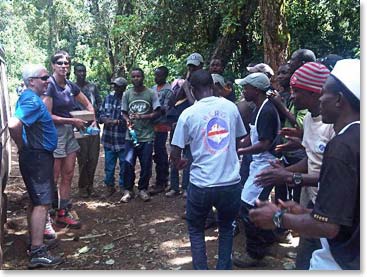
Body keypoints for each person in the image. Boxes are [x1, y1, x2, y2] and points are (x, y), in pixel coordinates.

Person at [249, 59, 360, 270]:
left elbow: (329, 227)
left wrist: (278, 217)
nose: (321, 99)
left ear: (339, 100)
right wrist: (304, 211)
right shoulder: (352, 136)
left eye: (324, 93)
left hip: (339, 260)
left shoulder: (342, 146)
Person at [170, 69, 247, 269]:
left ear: (193, 90)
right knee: (226, 229)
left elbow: (175, 150)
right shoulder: (230, 107)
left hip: (201, 183)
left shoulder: (188, 114)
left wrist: (180, 163)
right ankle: (223, 269)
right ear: (212, 87)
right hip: (230, 183)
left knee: (196, 230)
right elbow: (240, 139)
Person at [8, 64, 63, 268]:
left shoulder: (29, 98)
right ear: (31, 81)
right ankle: (38, 251)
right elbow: (14, 124)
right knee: (42, 203)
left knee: (36, 200)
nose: (48, 80)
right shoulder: (31, 99)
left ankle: (35, 241)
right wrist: (22, 146)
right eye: (43, 77)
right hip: (37, 157)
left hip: (37, 155)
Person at [231, 73, 281, 268]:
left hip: (266, 164)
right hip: (257, 163)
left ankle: (255, 253)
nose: (243, 91)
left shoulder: (267, 111)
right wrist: (239, 143)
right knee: (257, 203)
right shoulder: (257, 108)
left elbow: (265, 143)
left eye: (246, 88)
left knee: (247, 204)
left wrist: (240, 150)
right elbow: (252, 136)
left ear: (257, 90)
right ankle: (267, 239)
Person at [43, 50, 95, 229]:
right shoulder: (49, 85)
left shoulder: (70, 86)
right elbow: (47, 115)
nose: (64, 66)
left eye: (66, 63)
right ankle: (46, 217)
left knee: (68, 173)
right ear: (53, 65)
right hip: (54, 133)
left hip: (69, 133)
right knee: (54, 176)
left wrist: (91, 117)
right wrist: (72, 120)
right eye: (60, 63)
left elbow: (87, 103)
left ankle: (62, 213)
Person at [120, 68, 161, 203]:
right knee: (127, 163)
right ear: (131, 78)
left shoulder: (151, 93)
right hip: (130, 136)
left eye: (138, 76)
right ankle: (128, 190)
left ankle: (143, 189)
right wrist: (127, 121)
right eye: (134, 76)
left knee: (146, 164)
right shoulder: (127, 94)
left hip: (147, 135)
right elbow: (124, 112)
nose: (136, 78)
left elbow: (157, 112)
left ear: (143, 77)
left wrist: (143, 116)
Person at [165, 53, 202, 198]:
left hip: (193, 128)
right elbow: (173, 101)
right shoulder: (183, 82)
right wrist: (184, 84)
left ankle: (186, 187)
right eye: (190, 67)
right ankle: (174, 186)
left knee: (189, 157)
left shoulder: (203, 84)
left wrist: (188, 88)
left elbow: (195, 105)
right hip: (177, 126)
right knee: (174, 155)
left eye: (195, 67)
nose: (192, 69)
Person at [74, 63, 102, 198]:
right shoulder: (71, 88)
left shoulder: (92, 87)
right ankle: (82, 186)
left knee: (93, 158)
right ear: (74, 73)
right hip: (78, 127)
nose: (81, 73)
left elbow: (99, 104)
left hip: (93, 127)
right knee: (82, 158)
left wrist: (96, 120)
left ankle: (90, 185)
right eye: (79, 71)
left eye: (83, 71)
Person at [98, 77, 128, 198]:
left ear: (124, 87)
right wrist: (106, 120)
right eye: (114, 85)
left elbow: (129, 119)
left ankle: (123, 187)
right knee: (109, 166)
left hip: (122, 139)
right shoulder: (108, 98)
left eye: (118, 86)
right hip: (109, 139)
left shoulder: (127, 99)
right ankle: (109, 187)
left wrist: (116, 122)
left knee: (124, 165)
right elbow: (101, 115)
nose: (115, 88)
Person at [149, 66, 173, 195]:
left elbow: (165, 108)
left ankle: (162, 181)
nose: (156, 77)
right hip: (152, 125)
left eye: (159, 75)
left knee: (160, 152)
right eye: (155, 75)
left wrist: (153, 111)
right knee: (156, 153)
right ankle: (161, 179)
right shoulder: (153, 89)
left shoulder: (168, 91)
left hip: (162, 125)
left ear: (164, 76)